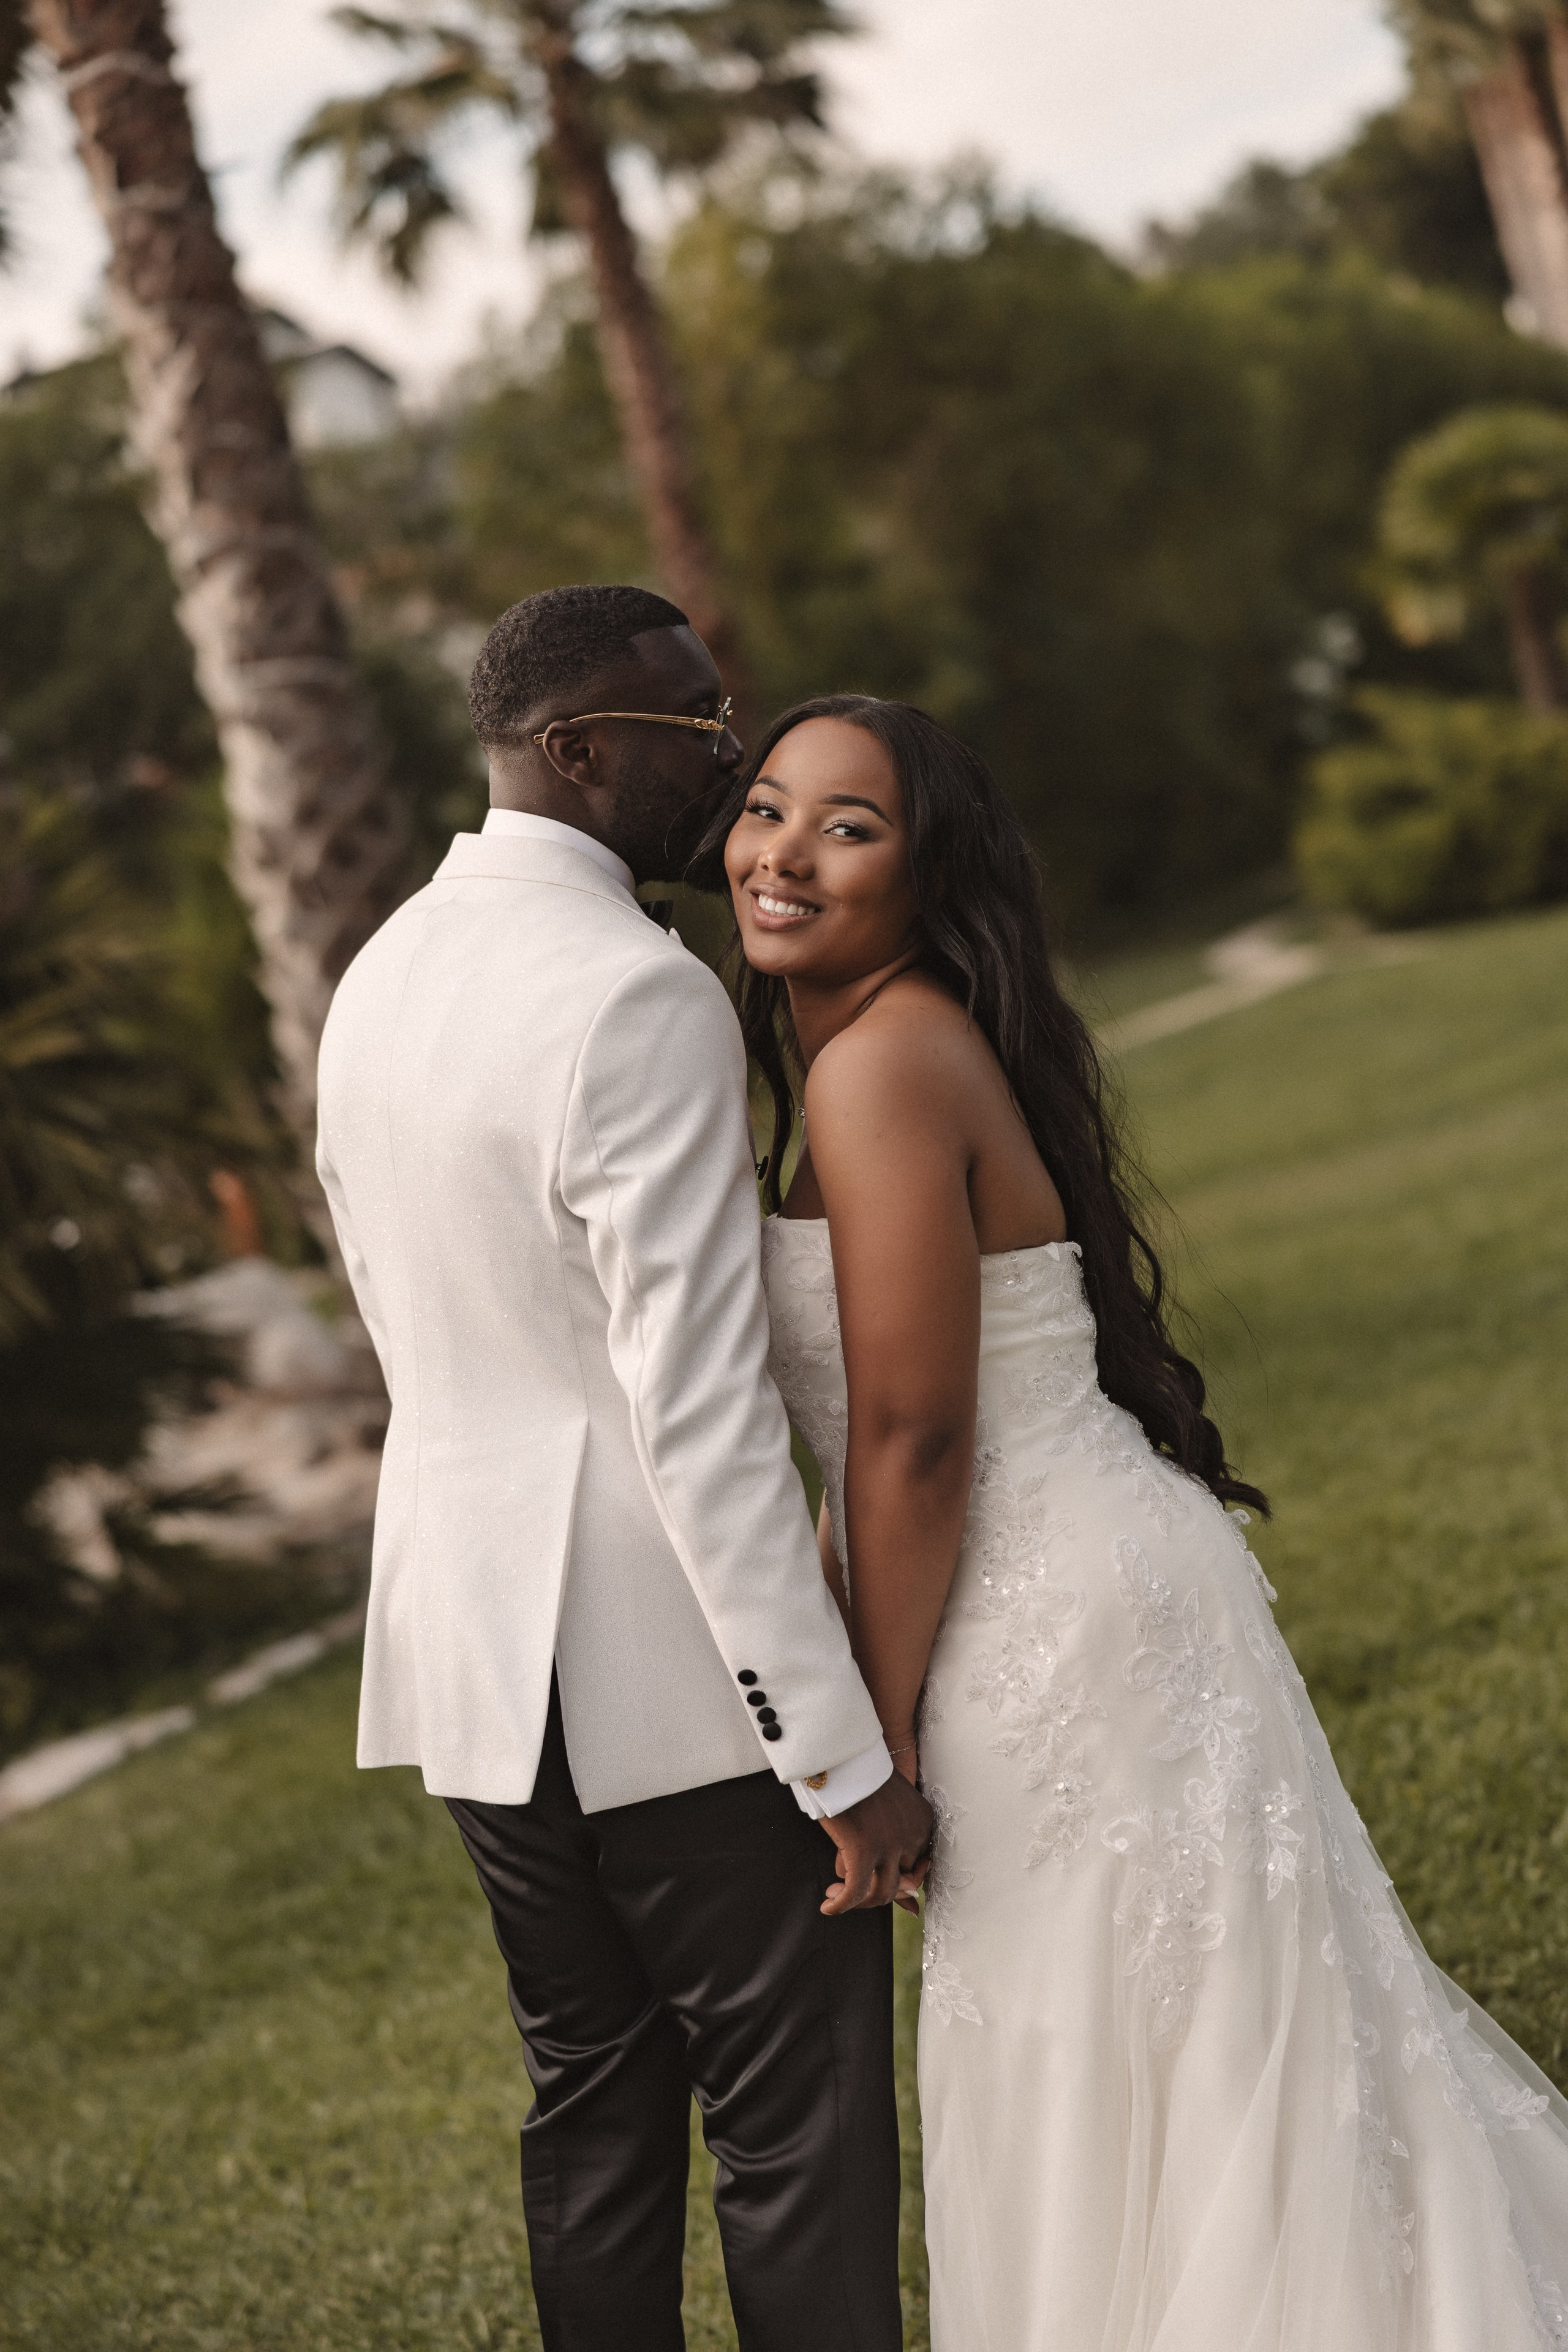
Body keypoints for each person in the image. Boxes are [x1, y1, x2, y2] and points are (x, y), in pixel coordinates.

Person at [699, 692, 1568, 2351]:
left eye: (849, 824)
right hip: (1076, 1592)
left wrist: (861, 1750)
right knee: (1166, 2045)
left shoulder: (884, 1060)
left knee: (1139, 2045)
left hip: (1052, 1625)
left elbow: (914, 1430)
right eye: (765, 807)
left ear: (927, 872)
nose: (786, 851)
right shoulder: (875, 1052)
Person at [314, 592, 932, 2352]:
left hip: (475, 1669)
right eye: (699, 723)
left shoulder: (383, 975)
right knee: (795, 2131)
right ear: (579, 750)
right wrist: (836, 1748)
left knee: (591, 2113)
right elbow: (701, 1409)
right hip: (667, 1684)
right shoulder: (636, 997)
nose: (734, 757)